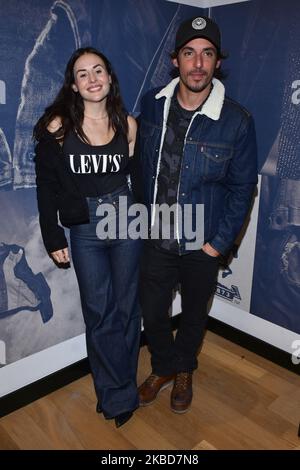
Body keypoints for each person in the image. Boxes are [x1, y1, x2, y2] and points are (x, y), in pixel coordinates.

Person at [138, 16, 258, 413]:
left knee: (192, 315)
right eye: (189, 53)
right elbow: (139, 164)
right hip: (156, 236)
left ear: (217, 63)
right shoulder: (152, 104)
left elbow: (243, 188)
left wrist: (216, 245)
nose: (198, 64)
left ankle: (184, 367)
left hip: (201, 242)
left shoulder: (237, 121)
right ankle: (164, 365)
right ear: (175, 60)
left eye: (207, 54)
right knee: (153, 312)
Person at [33, 47, 141, 428]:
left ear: (109, 78)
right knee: (100, 312)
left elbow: (137, 180)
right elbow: (46, 187)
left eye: (98, 71)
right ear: (74, 85)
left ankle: (120, 386)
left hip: (126, 218)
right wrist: (52, 236)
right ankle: (116, 394)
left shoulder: (128, 125)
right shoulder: (58, 126)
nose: (92, 78)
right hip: (85, 226)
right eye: (83, 74)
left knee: (128, 308)